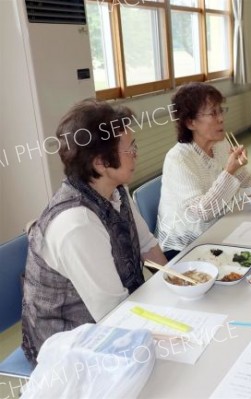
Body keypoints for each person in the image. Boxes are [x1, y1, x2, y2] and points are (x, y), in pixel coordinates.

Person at [21, 99, 168, 364]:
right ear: (101, 162)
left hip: (120, 314)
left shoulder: (115, 191)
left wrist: (176, 288)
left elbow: (147, 246)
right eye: (129, 149)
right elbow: (111, 315)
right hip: (71, 342)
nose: (136, 153)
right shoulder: (78, 222)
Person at [156, 83, 251, 257]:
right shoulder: (178, 159)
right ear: (190, 122)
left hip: (218, 225)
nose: (221, 118)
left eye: (221, 111)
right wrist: (228, 171)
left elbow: (244, 178)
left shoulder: (219, 144)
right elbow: (202, 212)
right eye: (213, 113)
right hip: (186, 244)